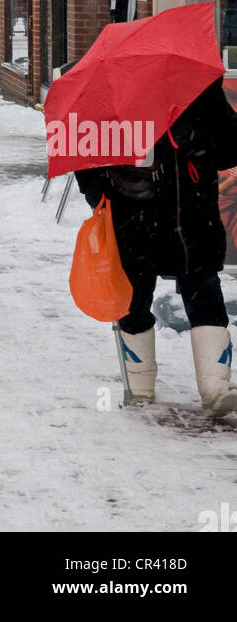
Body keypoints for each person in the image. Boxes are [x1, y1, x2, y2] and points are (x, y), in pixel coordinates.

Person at [75, 77, 237, 415]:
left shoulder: (200, 86)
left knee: (205, 295)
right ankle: (139, 384)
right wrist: (98, 192)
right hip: (134, 220)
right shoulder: (109, 88)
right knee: (133, 300)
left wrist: (195, 136)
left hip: (191, 218)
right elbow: (83, 147)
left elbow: (230, 148)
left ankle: (216, 387)